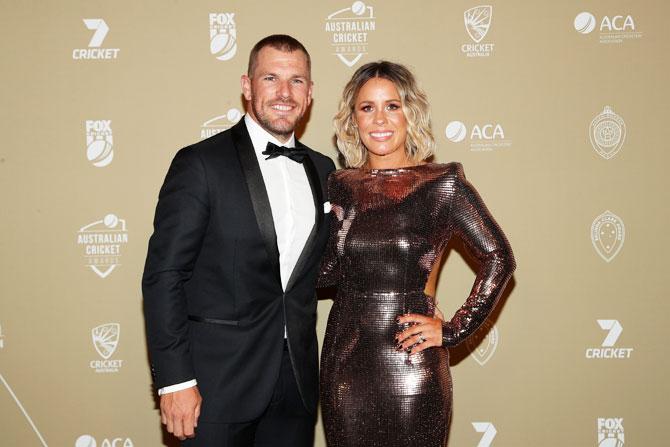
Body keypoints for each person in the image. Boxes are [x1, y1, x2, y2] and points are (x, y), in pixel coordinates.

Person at [142, 34, 335, 446]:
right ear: (247, 86)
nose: (284, 93)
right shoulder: (201, 163)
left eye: (297, 81)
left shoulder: (323, 169)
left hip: (296, 385)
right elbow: (164, 275)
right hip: (215, 385)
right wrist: (175, 380)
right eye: (271, 78)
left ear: (311, 93)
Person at [317, 61, 516, 446]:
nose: (380, 119)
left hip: (410, 363)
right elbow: (325, 273)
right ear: (353, 119)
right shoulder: (339, 185)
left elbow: (499, 257)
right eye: (367, 107)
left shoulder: (442, 183)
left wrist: (454, 329)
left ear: (410, 113)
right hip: (345, 360)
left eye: (392, 106)